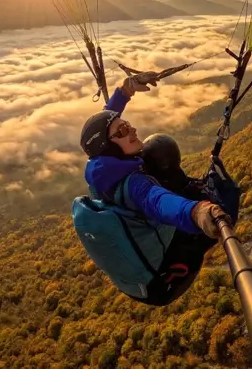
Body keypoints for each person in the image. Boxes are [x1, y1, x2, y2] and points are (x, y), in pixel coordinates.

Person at [72, 72, 241, 306]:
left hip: (138, 276)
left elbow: (107, 124)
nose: (131, 130)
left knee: (154, 150)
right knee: (223, 200)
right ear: (108, 146)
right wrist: (197, 212)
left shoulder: (101, 169)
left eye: (127, 125)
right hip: (162, 280)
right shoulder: (135, 185)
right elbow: (159, 201)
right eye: (122, 132)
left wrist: (125, 91)